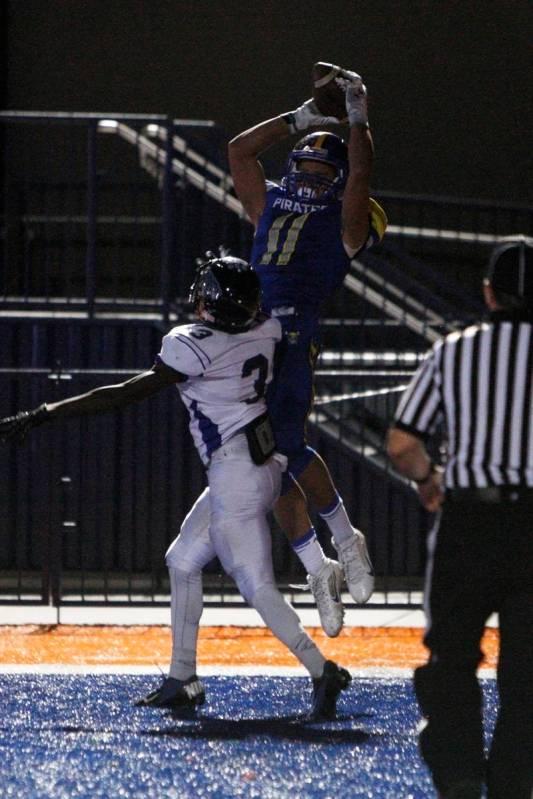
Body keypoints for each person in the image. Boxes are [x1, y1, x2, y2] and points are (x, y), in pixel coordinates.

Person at [0, 254, 351, 719]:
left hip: (236, 477)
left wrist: (47, 412)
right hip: (266, 465)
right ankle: (181, 677)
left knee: (257, 585)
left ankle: (321, 669)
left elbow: (125, 393)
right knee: (182, 560)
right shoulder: (265, 329)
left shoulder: (192, 344)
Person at [228, 67, 387, 636]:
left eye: (325, 173)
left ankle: (345, 538)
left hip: (293, 336)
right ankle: (317, 566)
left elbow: (360, 180)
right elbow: (240, 152)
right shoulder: (269, 202)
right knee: (263, 461)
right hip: (248, 337)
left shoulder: (346, 222)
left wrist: (360, 122)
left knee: (286, 445)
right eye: (305, 168)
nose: (311, 180)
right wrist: (298, 119)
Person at [387, 236, 533, 799]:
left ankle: (460, 780)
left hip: (470, 523)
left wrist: (430, 481)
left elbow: (403, 443)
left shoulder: (455, 350)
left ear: (490, 293)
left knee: (451, 660)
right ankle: (513, 786)